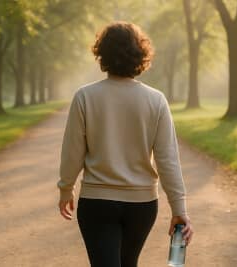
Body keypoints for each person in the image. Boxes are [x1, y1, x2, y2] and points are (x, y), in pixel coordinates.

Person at [57, 21, 194, 267]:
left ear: (102, 54)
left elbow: (72, 152)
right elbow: (167, 160)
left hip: (97, 203)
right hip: (142, 206)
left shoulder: (85, 97)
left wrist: (66, 188)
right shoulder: (156, 100)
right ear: (140, 55)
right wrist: (179, 209)